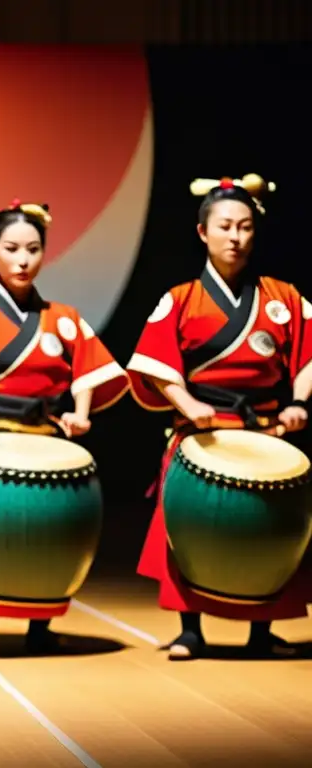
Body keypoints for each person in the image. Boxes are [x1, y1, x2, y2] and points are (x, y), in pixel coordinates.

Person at [0, 199, 129, 656]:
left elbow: (89, 370)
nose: (23, 258)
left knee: (48, 541)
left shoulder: (65, 319)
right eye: (12, 248)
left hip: (47, 435)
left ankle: (40, 626)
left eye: (33, 249)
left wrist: (81, 410)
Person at [126, 173, 311, 660]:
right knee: (189, 528)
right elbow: (155, 365)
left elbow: (308, 359)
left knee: (269, 533)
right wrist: (189, 406)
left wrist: (298, 404)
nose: (236, 236)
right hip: (201, 432)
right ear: (202, 231)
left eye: (245, 226)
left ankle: (262, 630)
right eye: (225, 225)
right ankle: (191, 629)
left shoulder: (284, 298)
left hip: (267, 430)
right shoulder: (181, 298)